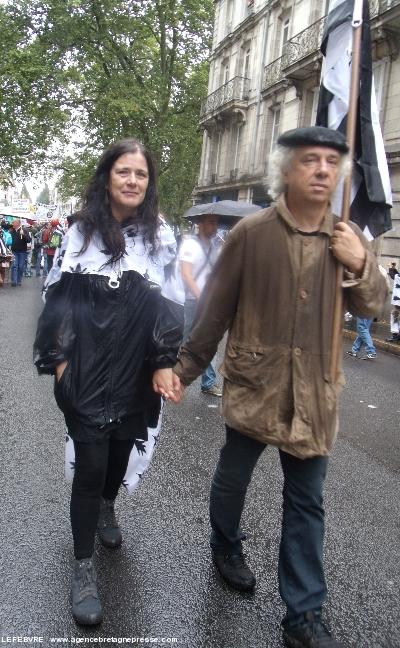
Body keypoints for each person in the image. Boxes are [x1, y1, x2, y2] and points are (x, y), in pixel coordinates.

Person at [172, 127, 387, 648]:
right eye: (310, 160)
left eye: (331, 163)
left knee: (307, 501)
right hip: (255, 381)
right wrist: (183, 369)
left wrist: (360, 264)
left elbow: (373, 306)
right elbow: (215, 308)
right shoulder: (252, 233)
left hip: (314, 393)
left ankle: (304, 616)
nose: (322, 170)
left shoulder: (349, 236)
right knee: (233, 479)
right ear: (286, 170)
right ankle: (225, 544)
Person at [34, 138, 183, 626]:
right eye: (124, 172)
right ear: (107, 177)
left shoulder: (160, 235)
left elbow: (171, 302)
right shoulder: (81, 232)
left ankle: (107, 508)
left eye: (141, 174)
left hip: (136, 373)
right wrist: (60, 367)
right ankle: (83, 568)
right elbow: (56, 298)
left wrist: (164, 360)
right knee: (91, 465)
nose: (133, 181)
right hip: (87, 371)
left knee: (120, 456)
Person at [179, 215, 222, 397]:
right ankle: (172, 376)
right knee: (183, 340)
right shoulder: (190, 245)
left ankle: (208, 382)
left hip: (208, 301)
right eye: (211, 222)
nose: (215, 226)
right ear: (201, 224)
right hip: (191, 301)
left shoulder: (214, 247)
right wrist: (201, 298)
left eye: (216, 223)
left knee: (207, 340)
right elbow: (186, 274)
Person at [9, 220, 31, 286]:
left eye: (14, 222)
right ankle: (14, 281)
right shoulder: (12, 230)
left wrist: (23, 235)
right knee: (14, 266)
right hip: (14, 251)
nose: (12, 224)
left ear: (18, 224)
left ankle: (19, 280)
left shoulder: (24, 230)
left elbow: (29, 240)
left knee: (21, 267)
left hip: (22, 252)